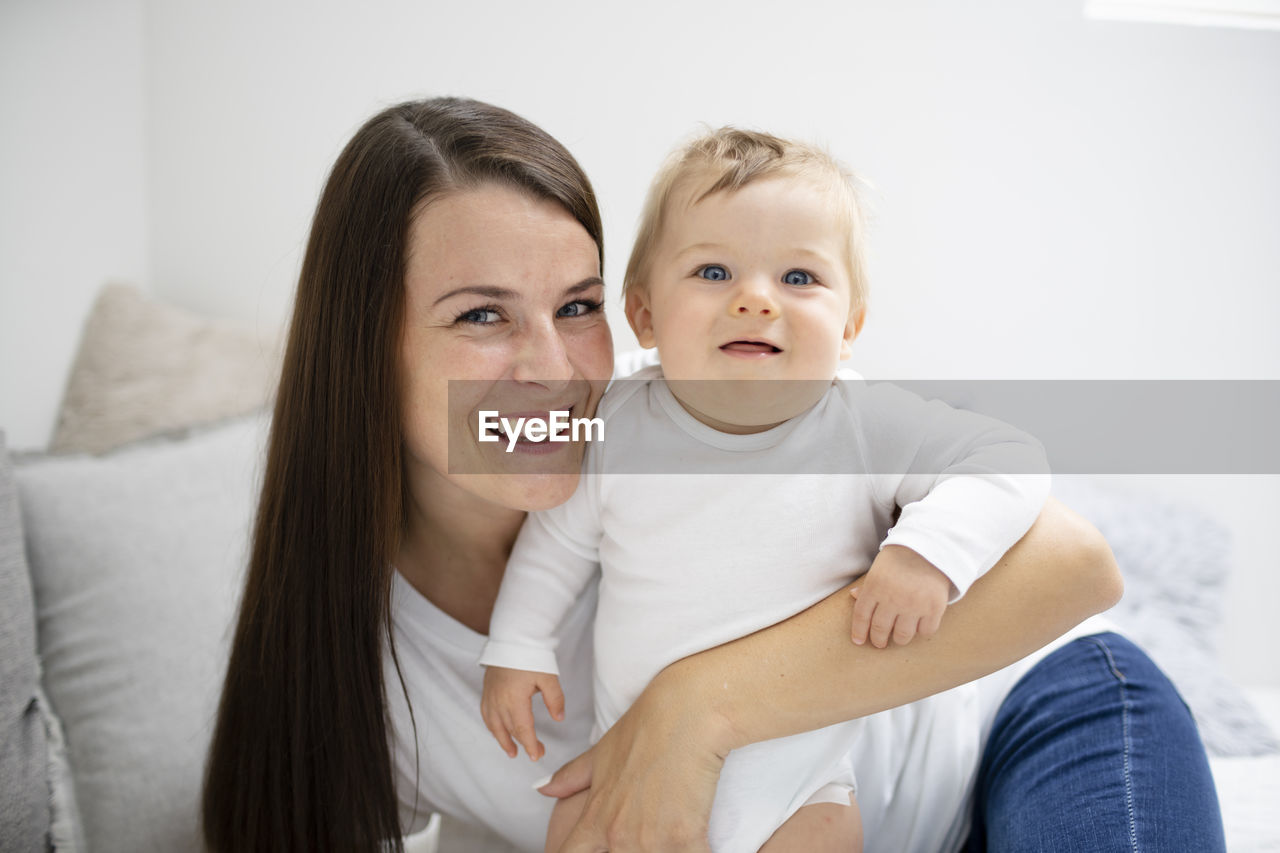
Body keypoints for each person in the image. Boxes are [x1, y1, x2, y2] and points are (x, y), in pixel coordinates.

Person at [200, 97, 1226, 853]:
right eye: (480, 315)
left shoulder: (689, 414)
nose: (556, 369)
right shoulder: (357, 672)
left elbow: (1078, 567)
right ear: (361, 350)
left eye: (574, 305)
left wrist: (699, 705)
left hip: (1032, 713)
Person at [477, 128, 1053, 853]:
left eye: (799, 278)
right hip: (629, 761)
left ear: (850, 326)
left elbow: (1011, 459)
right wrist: (519, 642)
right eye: (714, 272)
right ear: (645, 314)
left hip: (800, 787)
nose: (755, 299)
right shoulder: (620, 419)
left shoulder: (865, 427)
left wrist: (926, 552)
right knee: (575, 832)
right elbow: (557, 539)